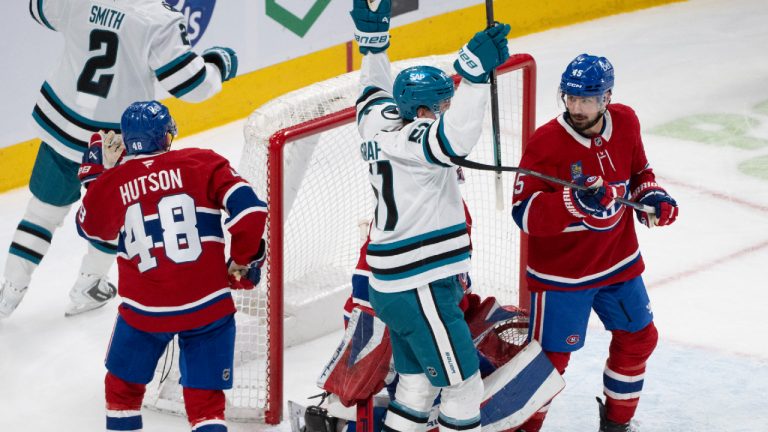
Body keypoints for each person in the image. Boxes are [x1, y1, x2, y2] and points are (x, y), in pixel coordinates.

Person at [0, 0, 238, 318]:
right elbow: (191, 86)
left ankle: (9, 292)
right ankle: (89, 284)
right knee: (115, 218)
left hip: (63, 124)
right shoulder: (159, 19)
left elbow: (37, 9)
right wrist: (218, 65)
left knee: (41, 213)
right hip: (114, 143)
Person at [351, 0, 510, 431]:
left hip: (393, 283)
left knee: (416, 384)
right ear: (422, 114)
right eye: (442, 103)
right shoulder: (417, 140)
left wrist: (374, 45)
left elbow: (372, 90)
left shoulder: (375, 121)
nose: (447, 107)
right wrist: (474, 76)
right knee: (463, 389)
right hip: (419, 283)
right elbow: (453, 140)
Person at [510, 54, 679, 432]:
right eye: (569, 98)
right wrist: (573, 201)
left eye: (586, 100)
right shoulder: (546, 143)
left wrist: (653, 197)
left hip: (619, 263)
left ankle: (617, 425)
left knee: (639, 339)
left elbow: (638, 173)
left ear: (606, 98)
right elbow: (523, 214)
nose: (576, 107)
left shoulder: (627, 121)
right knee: (547, 365)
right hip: (562, 277)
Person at [75, 100, 266, 432]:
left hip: (144, 312)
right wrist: (242, 260)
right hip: (208, 308)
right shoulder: (203, 162)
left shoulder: (115, 182)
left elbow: (91, 227)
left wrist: (96, 178)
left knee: (122, 394)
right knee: (206, 405)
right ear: (166, 136)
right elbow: (251, 212)